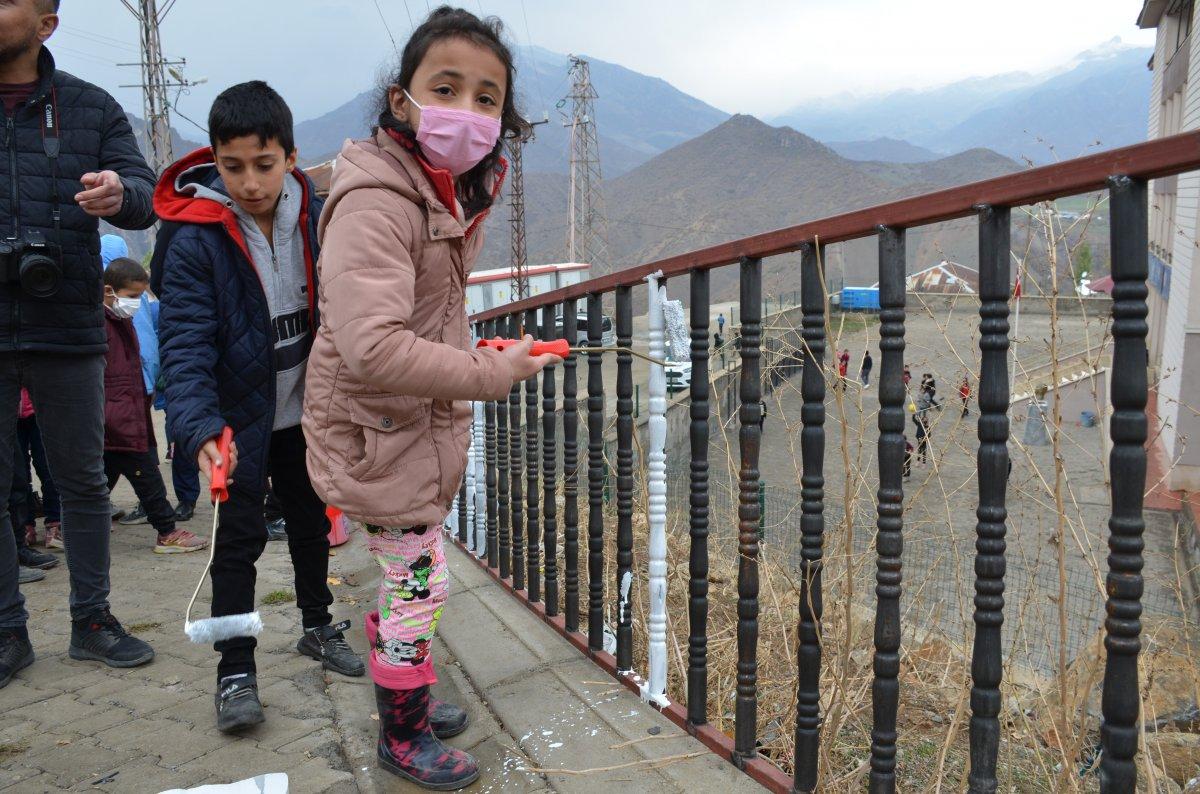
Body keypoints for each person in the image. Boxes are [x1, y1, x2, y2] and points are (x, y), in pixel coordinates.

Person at [302, 9, 558, 788]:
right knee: (420, 582)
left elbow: (416, 316)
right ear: (401, 100)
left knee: (412, 576)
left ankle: (401, 692)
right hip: (376, 431)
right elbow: (371, 343)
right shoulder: (382, 199)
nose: (469, 111)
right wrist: (487, 374)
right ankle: (401, 731)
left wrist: (467, 352)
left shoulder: (434, 192)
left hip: (400, 425)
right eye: (447, 88)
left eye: (487, 98)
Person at [157, 80, 366, 733]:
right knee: (236, 547)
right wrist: (199, 428)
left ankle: (317, 625)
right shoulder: (193, 237)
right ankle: (235, 670)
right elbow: (185, 347)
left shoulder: (318, 215)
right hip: (233, 421)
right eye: (233, 166)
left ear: (291, 157)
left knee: (311, 525)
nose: (249, 181)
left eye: (264, 164)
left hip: (305, 412)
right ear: (213, 160)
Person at [0, 0, 159, 689]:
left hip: (67, 319)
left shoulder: (90, 108)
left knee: (83, 481)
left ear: (45, 23)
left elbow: (148, 197)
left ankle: (92, 621)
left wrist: (118, 191)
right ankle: (8, 631)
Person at [101, 259, 207, 554]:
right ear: (110, 291)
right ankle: (167, 531)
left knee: (99, 483)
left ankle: (78, 529)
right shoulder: (99, 325)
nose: (136, 303)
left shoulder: (122, 321)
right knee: (146, 476)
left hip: (127, 414)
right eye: (132, 296)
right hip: (117, 419)